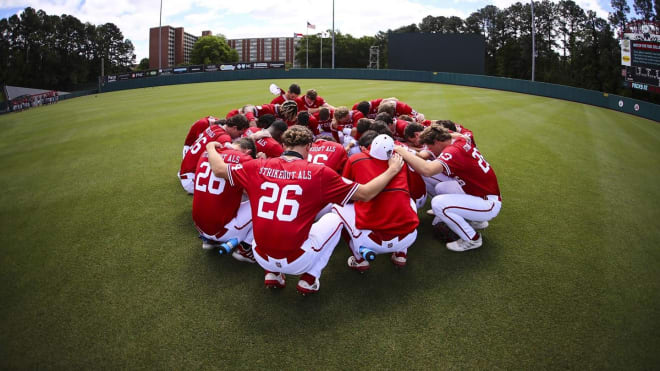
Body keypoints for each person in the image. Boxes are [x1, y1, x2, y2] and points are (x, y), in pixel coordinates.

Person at [205, 126, 404, 295]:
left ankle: (272, 273)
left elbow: (219, 169)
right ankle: (310, 278)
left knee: (268, 219)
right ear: (309, 147)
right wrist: (393, 169)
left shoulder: (256, 166)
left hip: (260, 253)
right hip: (297, 259)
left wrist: (210, 147)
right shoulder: (319, 173)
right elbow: (366, 193)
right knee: (336, 216)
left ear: (283, 146)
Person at [393, 125, 501, 252]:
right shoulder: (458, 141)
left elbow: (427, 170)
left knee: (439, 204)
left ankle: (472, 239)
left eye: (431, 146)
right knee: (440, 186)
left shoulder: (453, 151)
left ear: (438, 141)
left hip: (488, 203)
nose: (430, 150)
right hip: (477, 192)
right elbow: (458, 135)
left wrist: (402, 151)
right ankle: (476, 220)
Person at [334, 133, 419, 271]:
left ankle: (360, 260)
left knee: (336, 206)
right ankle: (401, 253)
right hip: (409, 236)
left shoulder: (356, 159)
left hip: (370, 241)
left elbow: (346, 194)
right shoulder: (400, 161)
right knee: (407, 200)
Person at [193, 138, 257, 263]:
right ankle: (246, 247)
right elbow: (254, 191)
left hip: (199, 226)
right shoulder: (243, 158)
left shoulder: (207, 153)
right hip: (222, 230)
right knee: (264, 203)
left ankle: (210, 240)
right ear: (248, 152)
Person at [178, 115, 249, 194]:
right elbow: (234, 154)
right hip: (191, 180)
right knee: (227, 170)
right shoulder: (224, 137)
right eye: (239, 133)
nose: (239, 137)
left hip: (184, 170)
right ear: (234, 128)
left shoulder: (214, 127)